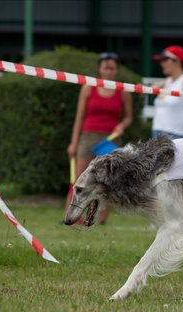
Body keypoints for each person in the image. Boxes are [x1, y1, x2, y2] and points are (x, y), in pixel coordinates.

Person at [65, 52, 133, 225]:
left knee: (108, 181)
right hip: (88, 136)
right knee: (79, 178)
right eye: (106, 68)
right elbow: (79, 117)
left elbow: (128, 117)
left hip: (110, 140)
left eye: (112, 68)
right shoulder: (89, 87)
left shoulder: (123, 90)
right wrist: (74, 142)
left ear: (117, 70)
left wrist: (122, 126)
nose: (109, 72)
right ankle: (73, 217)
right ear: (100, 69)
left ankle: (99, 219)